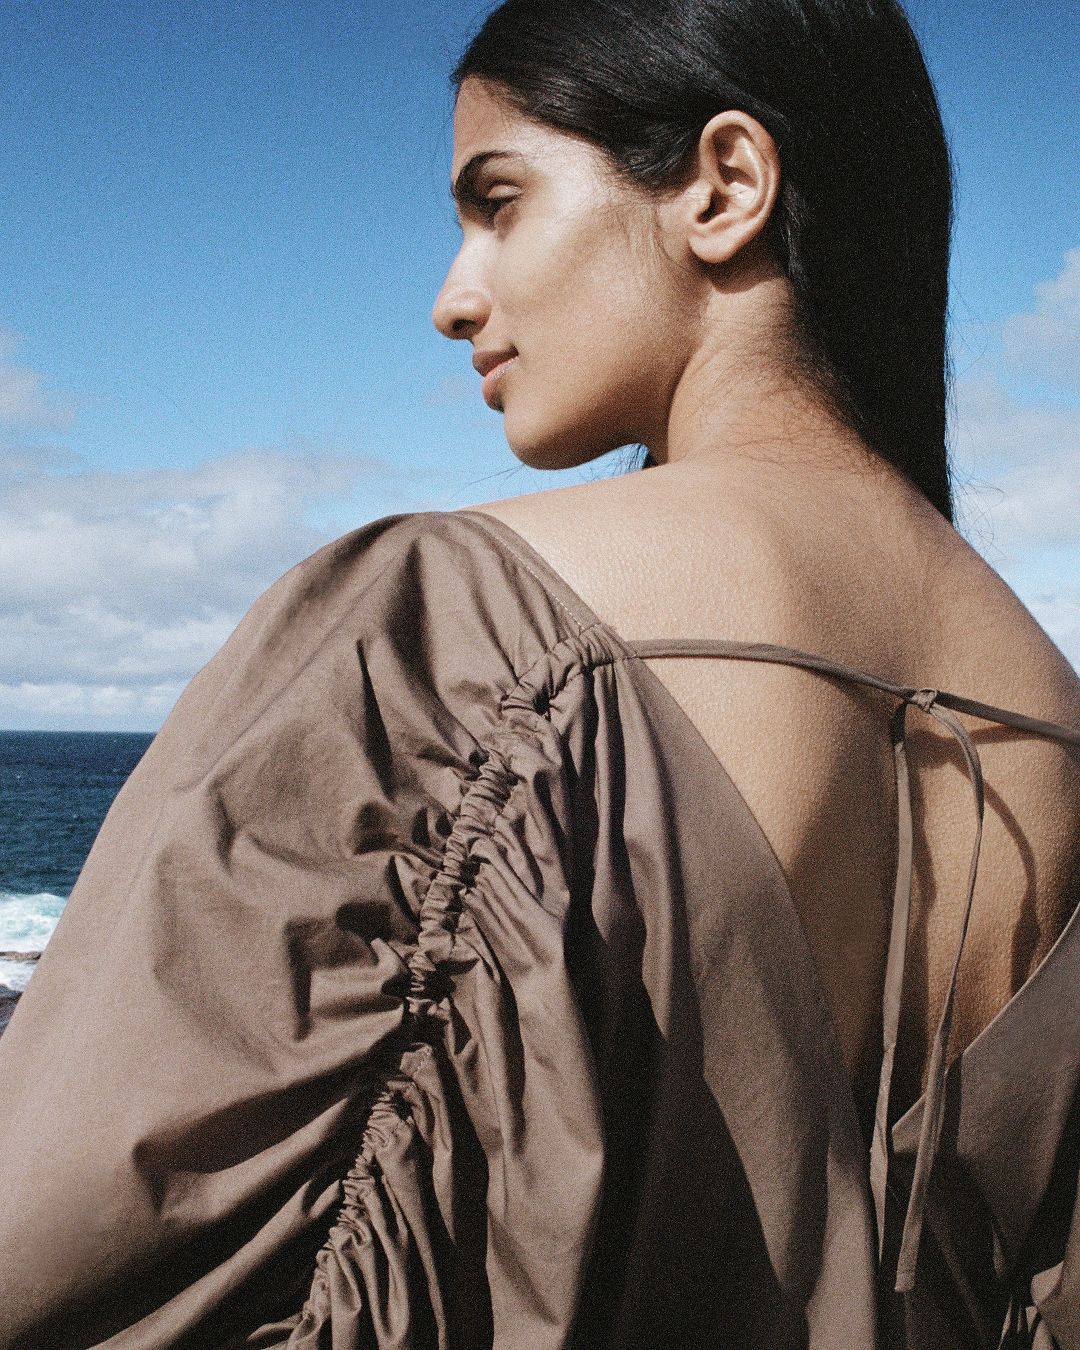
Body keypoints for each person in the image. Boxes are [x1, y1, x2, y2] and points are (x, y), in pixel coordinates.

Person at [0, 0, 1077, 1346]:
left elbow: (66, 1233)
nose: (455, 296)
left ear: (725, 185)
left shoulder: (450, 631)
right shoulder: (1051, 712)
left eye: (497, 203)